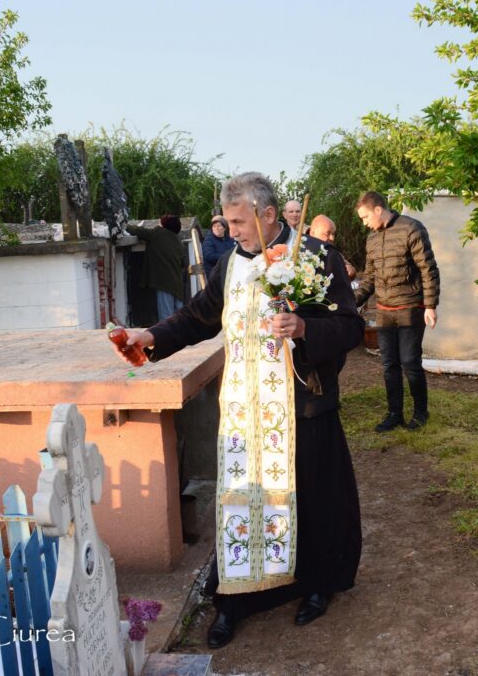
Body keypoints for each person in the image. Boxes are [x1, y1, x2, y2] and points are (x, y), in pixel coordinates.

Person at [111, 172, 363, 649]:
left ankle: (315, 584)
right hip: (245, 410)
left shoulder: (316, 258)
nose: (232, 229)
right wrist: (152, 337)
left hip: (299, 403)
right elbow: (200, 314)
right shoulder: (230, 263)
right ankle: (237, 597)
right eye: (228, 221)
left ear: (269, 215)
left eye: (239, 221)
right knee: (243, 500)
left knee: (311, 496)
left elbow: (350, 327)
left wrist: (305, 329)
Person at [353, 192, 440, 432]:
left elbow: (428, 269)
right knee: (389, 363)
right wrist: (353, 302)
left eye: (365, 216)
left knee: (410, 362)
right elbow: (369, 277)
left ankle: (421, 412)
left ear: (378, 209)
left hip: (411, 307)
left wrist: (430, 305)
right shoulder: (371, 239)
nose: (364, 222)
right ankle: (394, 413)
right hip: (384, 311)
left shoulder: (412, 228)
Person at [126, 214, 186, 320]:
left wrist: (124, 226)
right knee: (179, 315)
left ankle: (167, 336)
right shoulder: (178, 241)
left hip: (164, 283)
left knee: (166, 316)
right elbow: (183, 263)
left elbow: (139, 231)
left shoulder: (159, 233)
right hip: (178, 283)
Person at [308, 214, 357, 279]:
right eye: (327, 234)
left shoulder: (331, 250)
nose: (332, 238)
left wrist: (350, 269)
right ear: (313, 233)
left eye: (333, 234)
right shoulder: (299, 247)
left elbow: (344, 262)